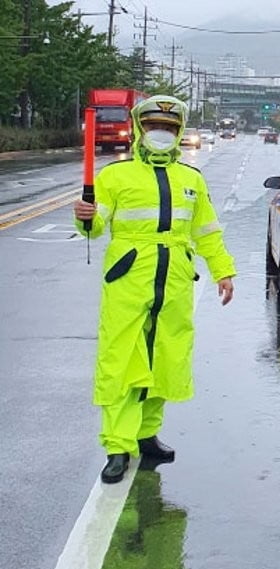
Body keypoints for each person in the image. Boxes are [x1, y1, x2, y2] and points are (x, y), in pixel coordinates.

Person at [73, 95, 236, 484]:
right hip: (129, 278)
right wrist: (86, 218)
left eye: (168, 127)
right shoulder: (114, 177)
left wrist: (223, 272)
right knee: (121, 360)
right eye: (152, 126)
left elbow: (207, 233)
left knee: (165, 357)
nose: (159, 133)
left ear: (178, 133)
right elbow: (95, 228)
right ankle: (117, 445)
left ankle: (146, 435)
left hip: (175, 277)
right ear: (138, 129)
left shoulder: (191, 180)